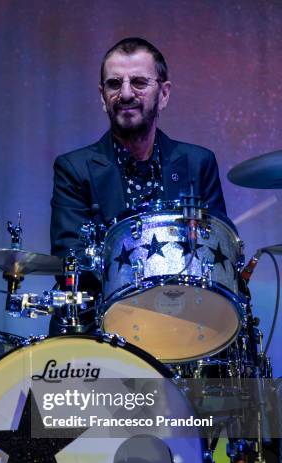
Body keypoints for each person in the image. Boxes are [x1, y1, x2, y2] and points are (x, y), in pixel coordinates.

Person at [50, 37, 227, 333]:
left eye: (139, 82)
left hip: (185, 325)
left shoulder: (198, 163)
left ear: (164, 93)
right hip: (100, 330)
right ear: (102, 95)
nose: (126, 93)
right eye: (114, 84)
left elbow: (216, 254)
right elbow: (70, 260)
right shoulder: (74, 168)